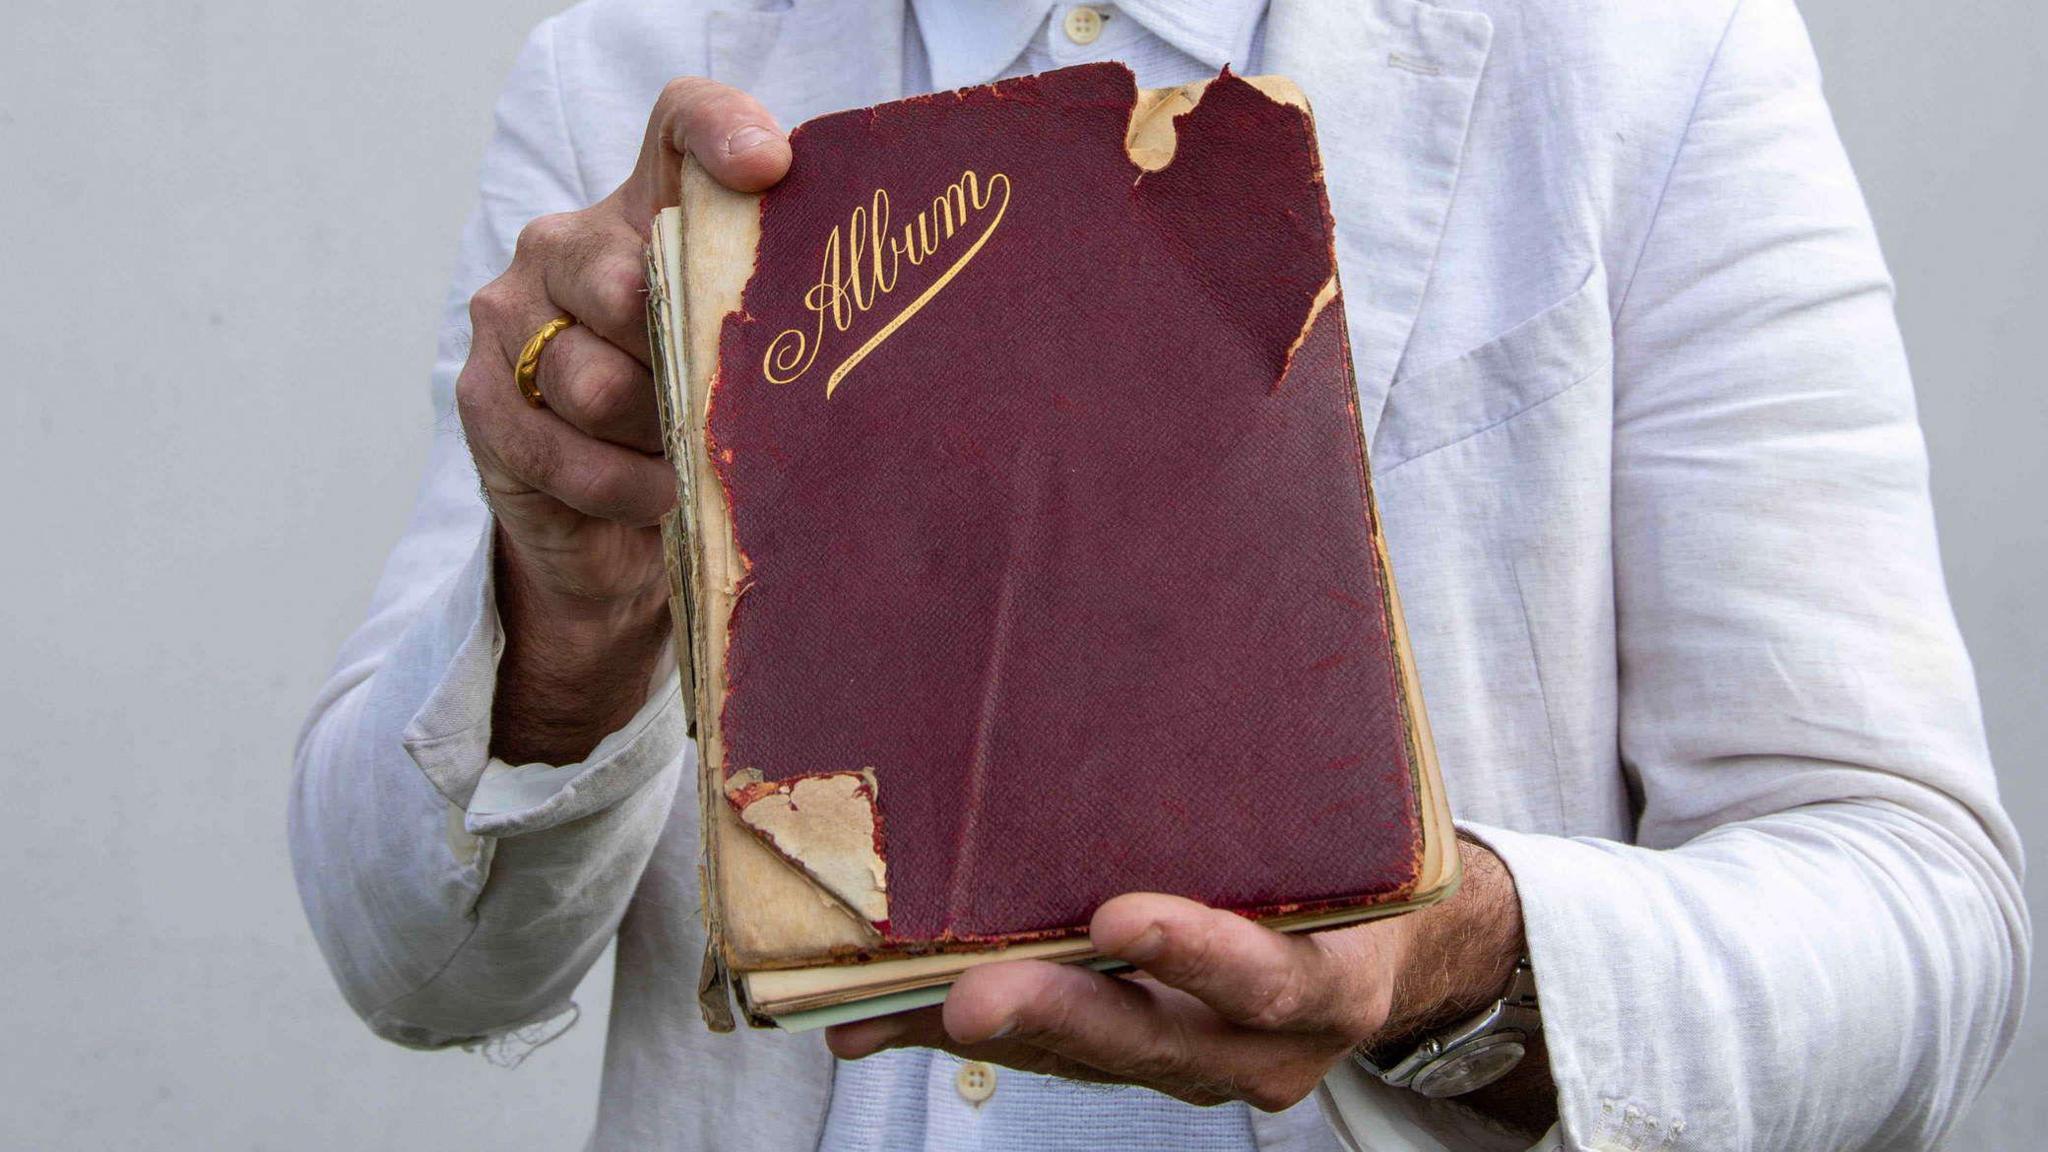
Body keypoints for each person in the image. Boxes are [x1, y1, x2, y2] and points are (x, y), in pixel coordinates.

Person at [288, 1, 2028, 1149]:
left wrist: (1451, 959)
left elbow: (1924, 913)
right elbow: (417, 966)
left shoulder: (1645, 54)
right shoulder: (631, 72)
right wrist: (572, 615)